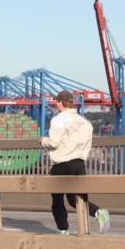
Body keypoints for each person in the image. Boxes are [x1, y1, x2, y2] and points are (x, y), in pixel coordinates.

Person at [41, 90, 110, 235]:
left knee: (57, 201)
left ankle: (63, 229)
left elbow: (53, 143)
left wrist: (43, 141)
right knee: (76, 199)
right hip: (79, 164)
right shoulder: (85, 122)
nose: (56, 104)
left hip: (62, 165)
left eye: (56, 102)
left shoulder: (58, 120)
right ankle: (98, 212)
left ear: (60, 102)